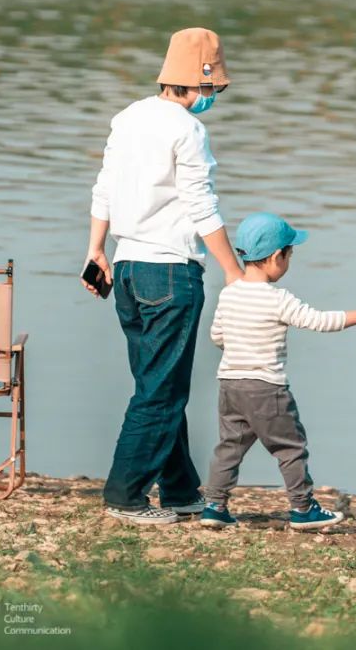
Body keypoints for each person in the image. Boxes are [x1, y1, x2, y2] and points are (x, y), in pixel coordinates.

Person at [85, 26, 244, 526]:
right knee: (162, 391)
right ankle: (125, 494)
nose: (212, 98)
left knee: (158, 382)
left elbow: (105, 187)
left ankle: (178, 489)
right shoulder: (188, 130)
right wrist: (234, 273)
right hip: (171, 272)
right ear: (193, 85)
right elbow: (201, 204)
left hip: (128, 269)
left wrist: (95, 250)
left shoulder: (128, 118)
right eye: (211, 89)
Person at [200, 211, 356, 531]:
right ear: (276, 257)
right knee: (290, 447)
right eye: (289, 255)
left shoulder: (229, 294)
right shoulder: (278, 299)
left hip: (230, 384)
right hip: (266, 388)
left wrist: (240, 353)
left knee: (229, 446)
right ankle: (303, 509)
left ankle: (215, 505)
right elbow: (319, 321)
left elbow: (218, 336)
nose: (289, 262)